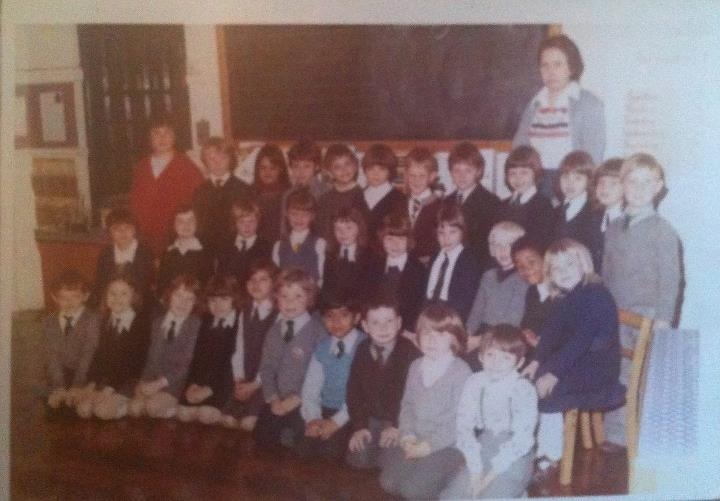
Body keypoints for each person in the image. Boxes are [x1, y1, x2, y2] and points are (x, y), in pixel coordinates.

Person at [522, 239, 624, 479]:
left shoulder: (596, 295)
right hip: (577, 362)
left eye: (570, 264)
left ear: (584, 264)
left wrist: (553, 374)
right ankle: (529, 445)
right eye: (556, 268)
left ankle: (551, 455)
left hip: (599, 369)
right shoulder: (565, 297)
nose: (564, 272)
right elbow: (550, 332)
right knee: (525, 382)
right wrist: (536, 361)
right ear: (550, 274)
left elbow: (581, 340)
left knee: (548, 389)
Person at [601, 153, 682, 449]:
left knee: (644, 377)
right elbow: (606, 271)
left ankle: (644, 437)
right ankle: (616, 434)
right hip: (616, 312)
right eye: (632, 182)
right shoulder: (614, 227)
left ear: (658, 187)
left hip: (647, 315)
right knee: (617, 371)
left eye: (646, 183)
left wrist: (663, 319)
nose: (638, 189)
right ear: (622, 185)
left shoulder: (663, 231)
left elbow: (671, 279)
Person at [378, 302, 472, 500]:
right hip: (416, 438)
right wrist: (407, 436)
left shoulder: (461, 372)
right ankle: (423, 468)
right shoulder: (416, 366)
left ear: (454, 338)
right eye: (426, 333)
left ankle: (454, 474)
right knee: (388, 483)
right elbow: (407, 406)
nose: (432, 340)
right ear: (418, 336)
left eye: (441, 334)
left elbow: (460, 423)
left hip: (448, 444)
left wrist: (427, 447)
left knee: (412, 491)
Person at [441, 325, 537, 499]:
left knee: (488, 496)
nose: (496, 363)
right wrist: (475, 471)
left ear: (519, 362)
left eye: (506, 357)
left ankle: (517, 492)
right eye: (491, 355)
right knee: (452, 497)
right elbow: (463, 427)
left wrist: (486, 480)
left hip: (515, 454)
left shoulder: (523, 389)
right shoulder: (474, 382)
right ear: (481, 356)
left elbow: (522, 440)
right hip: (484, 445)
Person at [513, 34, 606, 198]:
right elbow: (519, 149)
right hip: (535, 182)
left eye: (557, 64)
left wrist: (577, 187)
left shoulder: (588, 103)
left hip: (570, 182)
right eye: (545, 65)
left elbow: (592, 156)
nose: (551, 72)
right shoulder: (534, 104)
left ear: (571, 67)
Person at [345, 295, 421, 470]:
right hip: (371, 418)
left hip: (400, 419)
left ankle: (388, 454)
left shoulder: (410, 353)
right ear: (365, 326)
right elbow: (353, 392)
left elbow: (415, 397)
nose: (383, 328)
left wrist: (396, 425)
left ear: (399, 323)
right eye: (375, 322)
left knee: (388, 463)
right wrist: (360, 426)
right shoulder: (362, 350)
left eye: (389, 321)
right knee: (358, 459)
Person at [253, 269, 327, 448]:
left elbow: (322, 375)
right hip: (279, 398)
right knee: (261, 438)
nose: (290, 302)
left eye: (298, 296)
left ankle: (293, 433)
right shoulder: (274, 331)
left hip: (305, 400)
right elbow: (266, 368)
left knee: (300, 443)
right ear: (276, 298)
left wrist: (297, 399)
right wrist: (273, 398)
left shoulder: (318, 332)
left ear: (309, 299)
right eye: (284, 296)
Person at [296, 296, 366, 460]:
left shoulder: (364, 346)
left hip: (353, 411)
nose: (336, 321)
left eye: (344, 315)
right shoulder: (322, 347)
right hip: (326, 407)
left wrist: (335, 422)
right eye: (329, 316)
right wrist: (313, 418)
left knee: (330, 453)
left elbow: (362, 395)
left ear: (356, 318)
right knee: (303, 450)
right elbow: (311, 386)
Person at [75, 275, 150, 420]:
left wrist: (110, 389)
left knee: (102, 411)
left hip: (128, 380)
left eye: (123, 293)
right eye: (112, 293)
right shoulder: (104, 321)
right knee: (83, 409)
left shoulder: (140, 325)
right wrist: (92, 382)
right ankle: (109, 400)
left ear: (133, 296)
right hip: (106, 379)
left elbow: (133, 364)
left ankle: (129, 406)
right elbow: (97, 356)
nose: (117, 298)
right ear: (106, 296)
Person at [127, 275, 202, 419]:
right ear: (169, 296)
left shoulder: (195, 325)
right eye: (178, 296)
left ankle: (176, 408)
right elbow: (150, 359)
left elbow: (186, 366)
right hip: (153, 380)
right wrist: (143, 381)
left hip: (175, 384)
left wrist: (158, 384)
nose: (183, 302)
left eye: (190, 299)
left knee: (151, 408)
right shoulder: (157, 322)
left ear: (195, 303)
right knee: (134, 408)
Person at [129, 117, 203, 256]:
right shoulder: (141, 167)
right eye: (156, 133)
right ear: (149, 138)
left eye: (167, 133)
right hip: (145, 239)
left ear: (175, 137)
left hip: (176, 241)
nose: (162, 138)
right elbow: (135, 203)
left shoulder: (187, 167)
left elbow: (198, 206)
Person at [224, 259, 280, 431]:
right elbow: (239, 349)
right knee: (227, 421)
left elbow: (275, 358)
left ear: (274, 283)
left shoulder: (279, 314)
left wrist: (255, 384)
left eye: (263, 279)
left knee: (249, 424)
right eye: (252, 280)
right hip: (245, 377)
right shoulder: (245, 312)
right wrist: (239, 379)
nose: (256, 284)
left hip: (266, 381)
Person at [176, 275, 240, 425]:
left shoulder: (239, 325)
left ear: (234, 299)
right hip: (201, 384)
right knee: (183, 413)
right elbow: (196, 359)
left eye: (224, 299)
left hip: (223, 386)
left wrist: (209, 390)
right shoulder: (205, 322)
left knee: (205, 415)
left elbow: (230, 367)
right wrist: (193, 384)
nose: (218, 305)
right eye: (213, 300)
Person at [466, 221, 529, 350]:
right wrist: (467, 334)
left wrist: (479, 340)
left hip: (505, 338)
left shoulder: (523, 278)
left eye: (509, 245)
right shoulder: (488, 275)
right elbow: (476, 312)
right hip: (482, 332)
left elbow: (512, 321)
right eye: (497, 245)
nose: (502, 251)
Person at [45, 270, 101, 411]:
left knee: (78, 401)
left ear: (85, 296)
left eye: (75, 297)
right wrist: (58, 385)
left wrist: (78, 384)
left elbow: (88, 353)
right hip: (64, 371)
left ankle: (81, 391)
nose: (69, 302)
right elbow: (52, 355)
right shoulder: (50, 321)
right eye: (63, 298)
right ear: (54, 297)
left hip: (87, 370)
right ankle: (62, 391)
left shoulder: (92, 319)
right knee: (44, 389)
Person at [445, 142, 500, 271]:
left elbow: (488, 247)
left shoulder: (490, 202)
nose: (462, 176)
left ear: (478, 171)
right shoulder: (446, 201)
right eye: (457, 170)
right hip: (450, 267)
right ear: (451, 172)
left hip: (476, 268)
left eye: (468, 170)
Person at [368, 213, 427, 332]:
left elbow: (419, 308)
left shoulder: (418, 271)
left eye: (400, 239)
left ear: (409, 241)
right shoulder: (373, 266)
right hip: (376, 328)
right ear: (382, 240)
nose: (395, 244)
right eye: (389, 239)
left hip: (406, 331)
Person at [193, 136, 251, 256]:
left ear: (231, 159)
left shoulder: (243, 189)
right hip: (206, 251)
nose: (217, 163)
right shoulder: (199, 191)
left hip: (236, 250)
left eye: (223, 157)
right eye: (211, 158)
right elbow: (198, 226)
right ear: (204, 162)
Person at [425, 203, 482, 322]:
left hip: (452, 315)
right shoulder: (435, 257)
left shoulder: (469, 261)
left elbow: (466, 301)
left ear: (463, 232)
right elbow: (426, 291)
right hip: (429, 310)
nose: (446, 238)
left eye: (453, 232)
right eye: (441, 233)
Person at [92, 208, 154, 308]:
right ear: (109, 232)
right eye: (116, 228)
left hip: (138, 303)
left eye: (128, 228)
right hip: (111, 303)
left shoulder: (145, 253)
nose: (123, 232)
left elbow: (146, 286)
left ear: (135, 230)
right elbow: (100, 283)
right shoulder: (105, 254)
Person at [497, 145, 554, 250]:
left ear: (535, 173)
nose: (518, 178)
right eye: (512, 173)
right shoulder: (502, 205)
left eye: (524, 172)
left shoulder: (543, 205)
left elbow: (539, 243)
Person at [320, 207, 374, 308]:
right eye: (338, 229)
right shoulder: (331, 254)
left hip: (358, 308)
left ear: (359, 229)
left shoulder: (369, 256)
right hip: (333, 308)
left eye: (349, 228)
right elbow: (326, 288)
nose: (343, 233)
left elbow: (368, 292)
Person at [272, 188, 326, 284]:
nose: (299, 219)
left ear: (312, 216)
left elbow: (321, 277)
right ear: (286, 214)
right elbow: (275, 277)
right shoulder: (279, 245)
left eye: (305, 215)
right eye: (294, 214)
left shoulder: (319, 243)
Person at [511, 236, 553, 361]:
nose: (526, 269)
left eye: (531, 262)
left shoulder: (560, 293)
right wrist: (525, 332)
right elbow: (526, 324)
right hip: (532, 355)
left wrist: (538, 343)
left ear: (546, 259)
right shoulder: (532, 291)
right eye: (519, 266)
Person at [315, 144, 368, 241]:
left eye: (347, 164)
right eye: (337, 167)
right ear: (330, 173)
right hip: (331, 247)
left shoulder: (364, 196)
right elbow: (321, 230)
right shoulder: (324, 199)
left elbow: (365, 230)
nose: (344, 170)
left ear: (355, 165)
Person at [156, 206, 213, 295]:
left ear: (197, 223)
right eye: (180, 222)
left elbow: (207, 284)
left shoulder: (206, 253)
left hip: (197, 300)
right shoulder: (168, 253)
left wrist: (190, 288)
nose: (186, 225)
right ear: (174, 226)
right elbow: (161, 284)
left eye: (190, 221)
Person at [361, 143, 407, 251]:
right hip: (360, 254)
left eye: (381, 169)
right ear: (364, 170)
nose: (375, 174)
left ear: (390, 171)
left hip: (386, 253)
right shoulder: (358, 196)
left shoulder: (399, 199)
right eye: (371, 169)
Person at [216, 199, 273, 286]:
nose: (247, 226)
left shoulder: (265, 247)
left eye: (251, 221)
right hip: (229, 290)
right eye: (241, 222)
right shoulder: (225, 245)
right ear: (235, 223)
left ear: (258, 222)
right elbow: (220, 273)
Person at [279, 139, 329, 235]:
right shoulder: (288, 195)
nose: (301, 171)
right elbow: (284, 229)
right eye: (296, 166)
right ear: (290, 167)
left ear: (316, 166)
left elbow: (328, 228)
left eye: (307, 166)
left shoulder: (326, 192)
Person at [404, 146, 442, 265]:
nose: (416, 181)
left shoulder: (440, 206)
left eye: (422, 176)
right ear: (406, 175)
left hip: (427, 266)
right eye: (412, 175)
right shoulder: (400, 203)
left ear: (432, 176)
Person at [553, 150, 596, 255]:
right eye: (565, 177)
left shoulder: (594, 213)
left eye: (578, 178)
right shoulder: (555, 210)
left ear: (588, 181)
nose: (570, 183)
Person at [589, 157, 624, 271]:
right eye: (601, 182)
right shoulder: (595, 217)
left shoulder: (628, 221)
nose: (605, 188)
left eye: (613, 183)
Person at [253, 143, 291, 244]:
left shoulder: (289, 195)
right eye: (263, 168)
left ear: (281, 169)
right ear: (257, 169)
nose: (267, 172)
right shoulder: (250, 194)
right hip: (257, 247)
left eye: (272, 168)